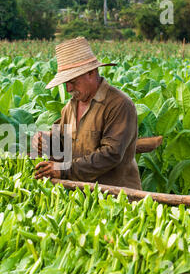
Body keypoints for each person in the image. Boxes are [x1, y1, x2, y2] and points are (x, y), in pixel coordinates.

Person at [33, 37, 142, 190]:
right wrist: (43, 142)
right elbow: (61, 145)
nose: (69, 89)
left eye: (73, 81)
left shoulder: (119, 104)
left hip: (116, 199)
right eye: (66, 83)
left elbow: (111, 154)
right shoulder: (69, 108)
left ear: (91, 73)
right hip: (80, 197)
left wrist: (63, 170)